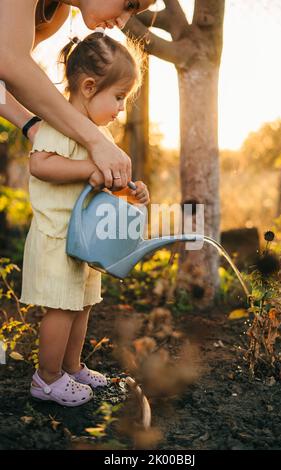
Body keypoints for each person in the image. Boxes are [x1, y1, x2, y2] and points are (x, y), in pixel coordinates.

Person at [20, 31, 150, 406]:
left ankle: (72, 368)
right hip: (57, 236)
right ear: (90, 87)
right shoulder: (58, 124)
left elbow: (105, 181)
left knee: (82, 304)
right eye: (119, 97)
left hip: (84, 241)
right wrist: (85, 169)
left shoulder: (100, 133)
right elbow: (40, 164)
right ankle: (46, 379)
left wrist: (131, 190)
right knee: (61, 308)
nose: (121, 108)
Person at [0, 0, 155, 190]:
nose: (123, 22)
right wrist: (96, 141)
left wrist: (30, 126)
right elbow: (8, 60)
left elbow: (8, 70)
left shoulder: (56, 14)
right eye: (130, 4)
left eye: (132, 14)